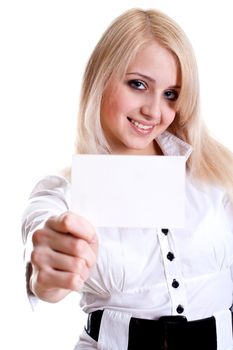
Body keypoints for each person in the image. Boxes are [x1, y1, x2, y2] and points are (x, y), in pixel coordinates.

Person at [22, 8, 233, 350]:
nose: (154, 110)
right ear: (101, 79)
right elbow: (41, 239)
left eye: (170, 94)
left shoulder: (218, 173)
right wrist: (46, 269)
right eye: (138, 85)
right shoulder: (64, 190)